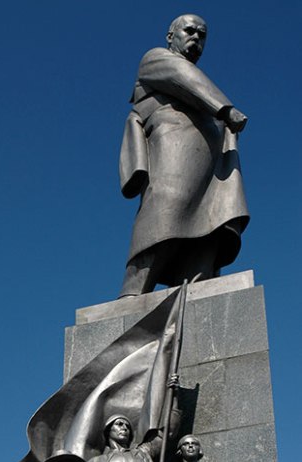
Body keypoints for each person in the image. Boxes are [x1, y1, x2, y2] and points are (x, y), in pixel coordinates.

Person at [119, 14, 249, 296]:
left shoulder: (198, 83)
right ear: (170, 36)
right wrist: (225, 109)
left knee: (211, 225)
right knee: (165, 210)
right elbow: (183, 77)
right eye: (190, 31)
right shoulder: (155, 59)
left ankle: (195, 287)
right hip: (174, 145)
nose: (196, 39)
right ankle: (133, 291)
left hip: (211, 159)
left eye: (202, 35)